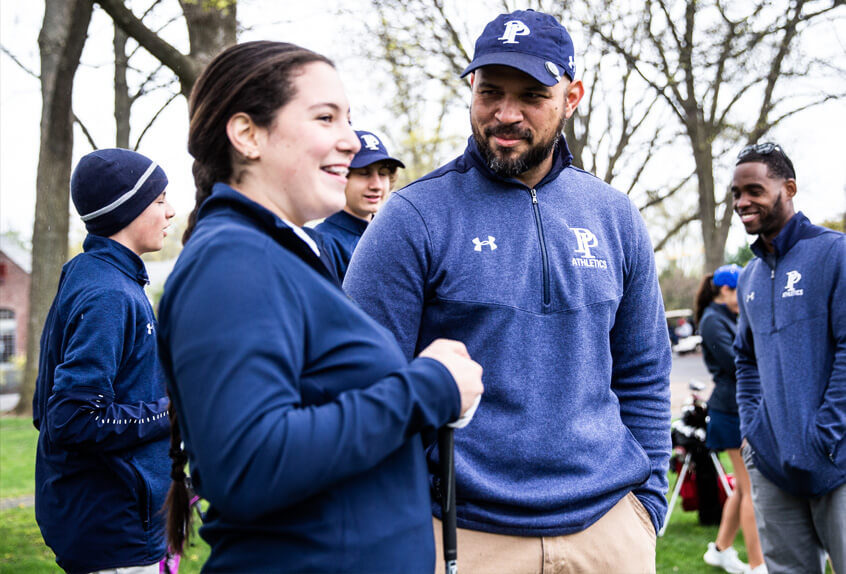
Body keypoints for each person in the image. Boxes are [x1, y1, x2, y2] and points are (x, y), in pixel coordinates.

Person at [344, 10, 672, 573]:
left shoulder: (614, 216)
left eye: (532, 95)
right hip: (462, 534)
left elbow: (643, 369)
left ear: (573, 96)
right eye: (490, 91)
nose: (506, 113)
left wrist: (647, 508)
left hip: (609, 530)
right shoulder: (412, 216)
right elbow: (358, 382)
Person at [156, 41, 484, 573]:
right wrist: (429, 387)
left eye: (347, 119)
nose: (351, 141)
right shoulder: (231, 263)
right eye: (325, 117)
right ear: (247, 135)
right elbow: (250, 464)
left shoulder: (278, 255)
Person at [32, 148, 175, 573]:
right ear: (127, 210)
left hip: (117, 523)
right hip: (114, 533)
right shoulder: (108, 294)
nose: (171, 212)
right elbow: (71, 417)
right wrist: (173, 414)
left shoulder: (101, 276)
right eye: (160, 200)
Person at [732, 142, 845, 574]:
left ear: (789, 188)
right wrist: (753, 427)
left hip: (837, 460)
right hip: (773, 466)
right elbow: (745, 360)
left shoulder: (835, 254)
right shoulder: (750, 276)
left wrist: (826, 433)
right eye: (737, 194)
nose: (743, 202)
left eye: (754, 190)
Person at [694, 264, 765, 574]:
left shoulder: (731, 315)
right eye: (741, 289)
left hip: (738, 407)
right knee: (752, 490)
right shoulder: (712, 320)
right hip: (730, 411)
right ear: (725, 290)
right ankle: (758, 564)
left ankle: (721, 549)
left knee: (742, 487)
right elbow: (740, 363)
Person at [315, 129, 404, 279]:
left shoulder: (394, 238)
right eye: (364, 173)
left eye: (383, 174)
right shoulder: (323, 244)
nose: (376, 185)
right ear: (341, 177)